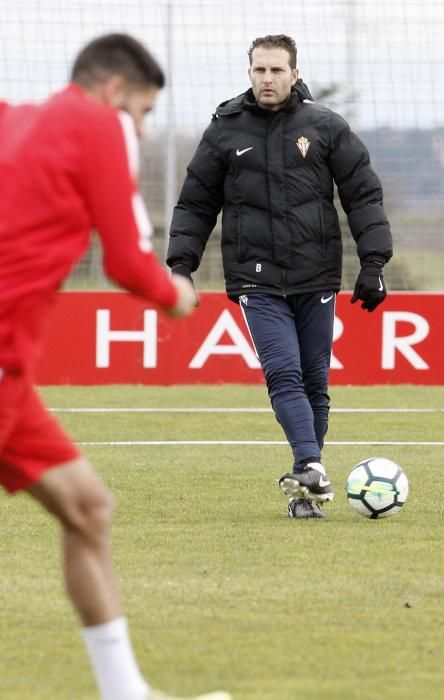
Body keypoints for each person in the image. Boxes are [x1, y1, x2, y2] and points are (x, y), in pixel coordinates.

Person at [0, 33, 230, 700]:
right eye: (144, 112)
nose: (140, 127)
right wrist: (176, 295)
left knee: (90, 509)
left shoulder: (16, 118)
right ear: (114, 91)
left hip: (11, 379)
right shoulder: (100, 125)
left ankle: (125, 694)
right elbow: (127, 262)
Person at [167, 34, 393, 520]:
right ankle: (312, 464)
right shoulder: (225, 129)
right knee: (283, 372)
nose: (267, 79)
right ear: (249, 73)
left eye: (276, 71)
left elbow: (363, 196)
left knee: (315, 382)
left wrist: (373, 264)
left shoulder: (326, 126)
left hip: (316, 276)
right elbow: (195, 204)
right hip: (256, 278)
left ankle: (305, 486)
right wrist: (180, 267)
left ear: (294, 72)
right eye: (259, 71)